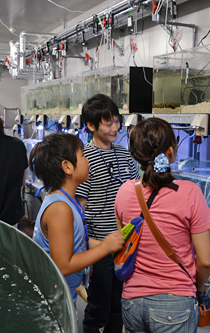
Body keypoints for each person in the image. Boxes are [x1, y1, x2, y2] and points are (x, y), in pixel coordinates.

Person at [114, 118, 210, 333]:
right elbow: (205, 261)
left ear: (135, 154)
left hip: (132, 302)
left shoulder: (124, 191)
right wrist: (198, 285)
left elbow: (123, 245)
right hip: (175, 304)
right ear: (171, 151)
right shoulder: (190, 192)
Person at [29, 132, 124, 303]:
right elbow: (63, 265)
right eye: (83, 156)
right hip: (54, 299)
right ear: (67, 167)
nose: (87, 160)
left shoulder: (68, 200)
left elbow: (78, 241)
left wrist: (107, 244)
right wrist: (104, 248)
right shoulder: (60, 208)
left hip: (65, 293)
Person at [76, 94, 139, 333]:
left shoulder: (125, 155)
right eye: (108, 122)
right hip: (99, 245)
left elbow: (135, 196)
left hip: (126, 243)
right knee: (97, 307)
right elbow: (79, 208)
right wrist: (87, 244)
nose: (115, 127)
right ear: (91, 126)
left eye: (116, 121)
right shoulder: (84, 159)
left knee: (119, 306)